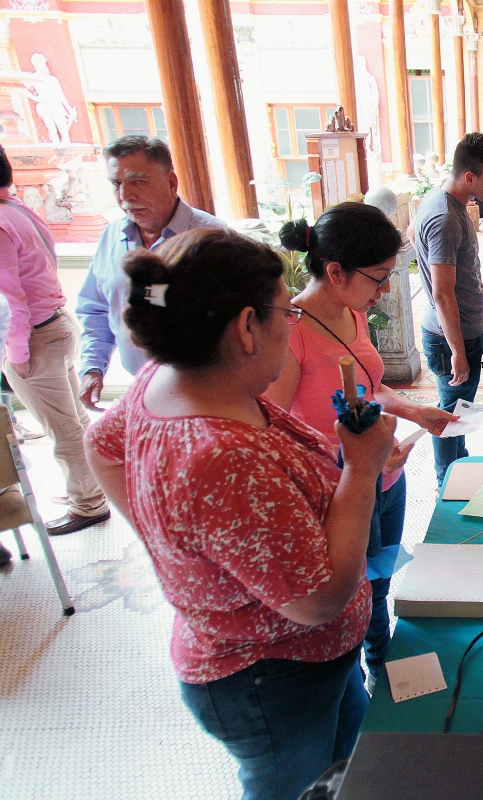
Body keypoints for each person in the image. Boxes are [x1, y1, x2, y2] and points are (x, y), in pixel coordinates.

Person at [84, 227, 399, 800]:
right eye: (287, 312)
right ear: (247, 327)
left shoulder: (169, 379)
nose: (292, 323)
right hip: (269, 677)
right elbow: (318, 600)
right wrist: (360, 470)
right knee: (295, 787)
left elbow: (101, 446)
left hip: (306, 663)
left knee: (352, 769)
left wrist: (175, 548)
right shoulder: (226, 459)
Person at [269, 203, 456, 688]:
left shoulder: (351, 311)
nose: (386, 289)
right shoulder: (291, 335)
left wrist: (415, 411)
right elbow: (276, 436)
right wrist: (356, 461)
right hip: (343, 488)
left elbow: (369, 388)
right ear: (336, 272)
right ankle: (372, 676)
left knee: (381, 579)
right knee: (358, 592)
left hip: (384, 475)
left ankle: (382, 664)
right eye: (380, 277)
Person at [0, 145, 110, 536]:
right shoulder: (18, 208)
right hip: (57, 324)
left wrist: (17, 355)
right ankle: (91, 487)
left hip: (35, 337)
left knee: (63, 429)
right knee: (74, 421)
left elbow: (10, 299)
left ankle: (89, 503)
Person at [76, 135, 223, 411]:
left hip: (206, 393)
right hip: (142, 389)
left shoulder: (213, 239)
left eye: (138, 181)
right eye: (117, 184)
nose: (125, 196)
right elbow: (96, 309)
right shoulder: (111, 236)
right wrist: (92, 368)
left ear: (171, 183)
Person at [410, 133, 483, 487]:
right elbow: (442, 293)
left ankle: (457, 469)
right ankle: (446, 482)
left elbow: (412, 232)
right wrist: (457, 352)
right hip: (452, 335)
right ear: (469, 177)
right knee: (449, 414)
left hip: (458, 329)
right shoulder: (445, 218)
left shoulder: (442, 200)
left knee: (457, 411)